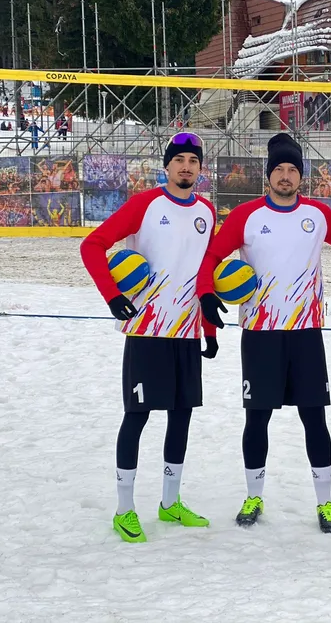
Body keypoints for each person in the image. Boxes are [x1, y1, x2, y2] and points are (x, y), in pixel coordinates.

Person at [197, 134, 331, 533]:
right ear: (268, 175)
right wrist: (207, 294)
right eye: (279, 169)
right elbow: (211, 256)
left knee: (315, 419)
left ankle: (325, 503)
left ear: (301, 176)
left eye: (293, 169)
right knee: (257, 419)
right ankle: (253, 495)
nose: (285, 176)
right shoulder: (246, 216)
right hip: (260, 333)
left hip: (306, 332)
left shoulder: (318, 214)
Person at [80, 132, 218, 543]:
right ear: (167, 166)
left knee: (182, 417)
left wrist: (208, 329)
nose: (186, 167)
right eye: (179, 160)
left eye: (193, 161)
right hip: (146, 330)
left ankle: (170, 503)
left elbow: (204, 273)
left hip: (187, 332)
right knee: (137, 417)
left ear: (200, 169)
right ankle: (124, 510)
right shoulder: (145, 204)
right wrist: (112, 295)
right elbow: (92, 245)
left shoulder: (207, 212)